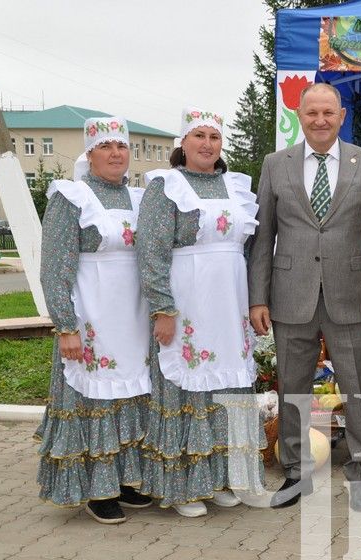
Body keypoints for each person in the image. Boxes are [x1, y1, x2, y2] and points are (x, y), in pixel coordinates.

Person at [248, 83, 361, 512]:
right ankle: (295, 474)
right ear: (299, 115)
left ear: (342, 115)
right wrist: (258, 297)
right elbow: (263, 238)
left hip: (352, 294)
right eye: (311, 112)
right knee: (292, 388)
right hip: (289, 294)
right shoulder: (275, 165)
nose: (319, 120)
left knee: (357, 390)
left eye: (327, 113)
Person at [136, 107, 263, 517]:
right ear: (183, 144)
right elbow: (151, 252)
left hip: (229, 301)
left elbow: (248, 249)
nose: (207, 144)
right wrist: (163, 309)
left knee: (226, 388)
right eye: (199, 136)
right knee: (188, 386)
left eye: (214, 136)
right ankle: (183, 488)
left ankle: (220, 479)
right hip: (188, 302)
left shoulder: (236, 186)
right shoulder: (165, 186)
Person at [35, 117, 153, 524]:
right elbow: (54, 266)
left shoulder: (141, 199)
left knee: (130, 393)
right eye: (106, 147)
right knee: (95, 395)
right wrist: (66, 324)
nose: (116, 154)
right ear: (90, 154)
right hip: (92, 312)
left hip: (133, 316)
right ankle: (95, 489)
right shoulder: (71, 196)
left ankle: (123, 481)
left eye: (122, 146)